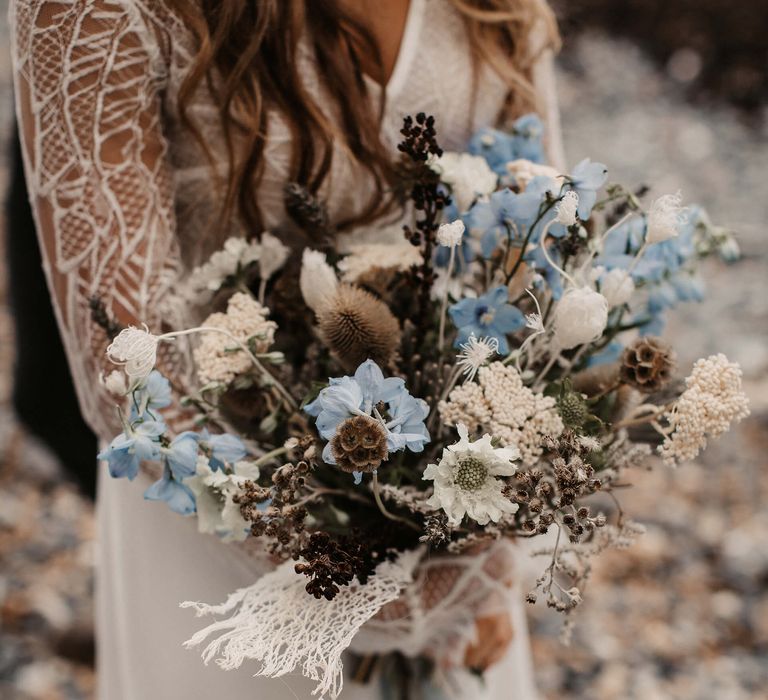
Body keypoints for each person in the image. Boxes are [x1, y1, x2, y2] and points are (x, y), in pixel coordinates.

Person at [9, 1, 564, 697]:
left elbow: (542, 254)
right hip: (222, 540)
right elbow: (130, 366)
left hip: (466, 522)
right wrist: (381, 591)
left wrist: (489, 543)